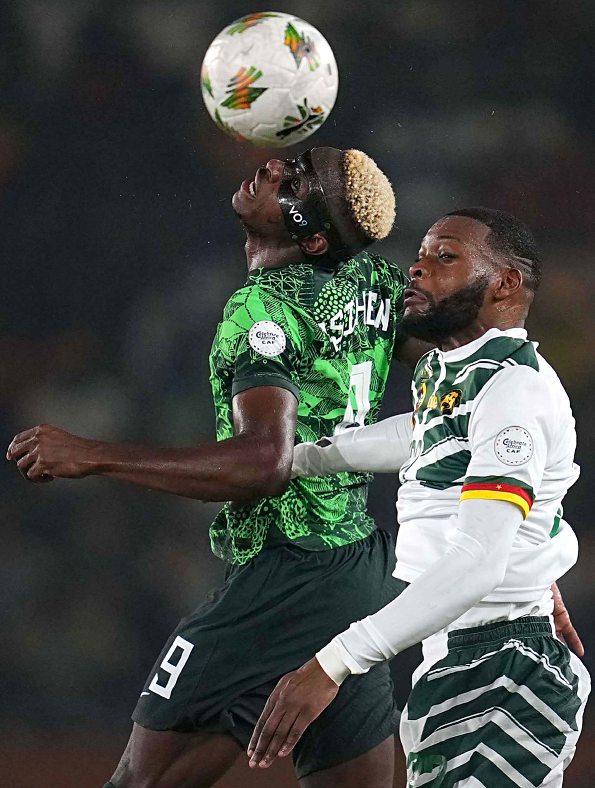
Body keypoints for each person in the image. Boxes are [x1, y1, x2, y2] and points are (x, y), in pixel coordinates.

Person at [7, 147, 427, 787]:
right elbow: (450, 353)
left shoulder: (263, 307)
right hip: (359, 571)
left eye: (299, 178)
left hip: (286, 576)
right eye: (297, 161)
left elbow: (264, 462)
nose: (278, 167)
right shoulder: (371, 279)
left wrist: (94, 454)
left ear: (312, 238)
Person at [248, 207, 591, 788]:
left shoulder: (516, 391)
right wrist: (300, 459)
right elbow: (422, 436)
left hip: (504, 664)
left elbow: (478, 563)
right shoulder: (458, 375)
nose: (417, 267)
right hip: (459, 655)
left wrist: (335, 662)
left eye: (445, 256)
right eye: (422, 253)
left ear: (504, 283)